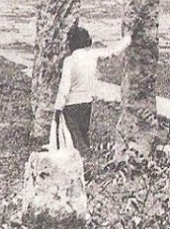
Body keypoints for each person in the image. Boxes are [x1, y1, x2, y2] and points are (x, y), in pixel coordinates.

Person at [52, 24, 129, 154]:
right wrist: (128, 38)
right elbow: (113, 51)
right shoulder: (92, 56)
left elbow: (64, 87)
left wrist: (58, 107)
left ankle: (82, 159)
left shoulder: (70, 61)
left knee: (73, 139)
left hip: (71, 104)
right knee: (83, 133)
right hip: (87, 102)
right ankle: (87, 156)